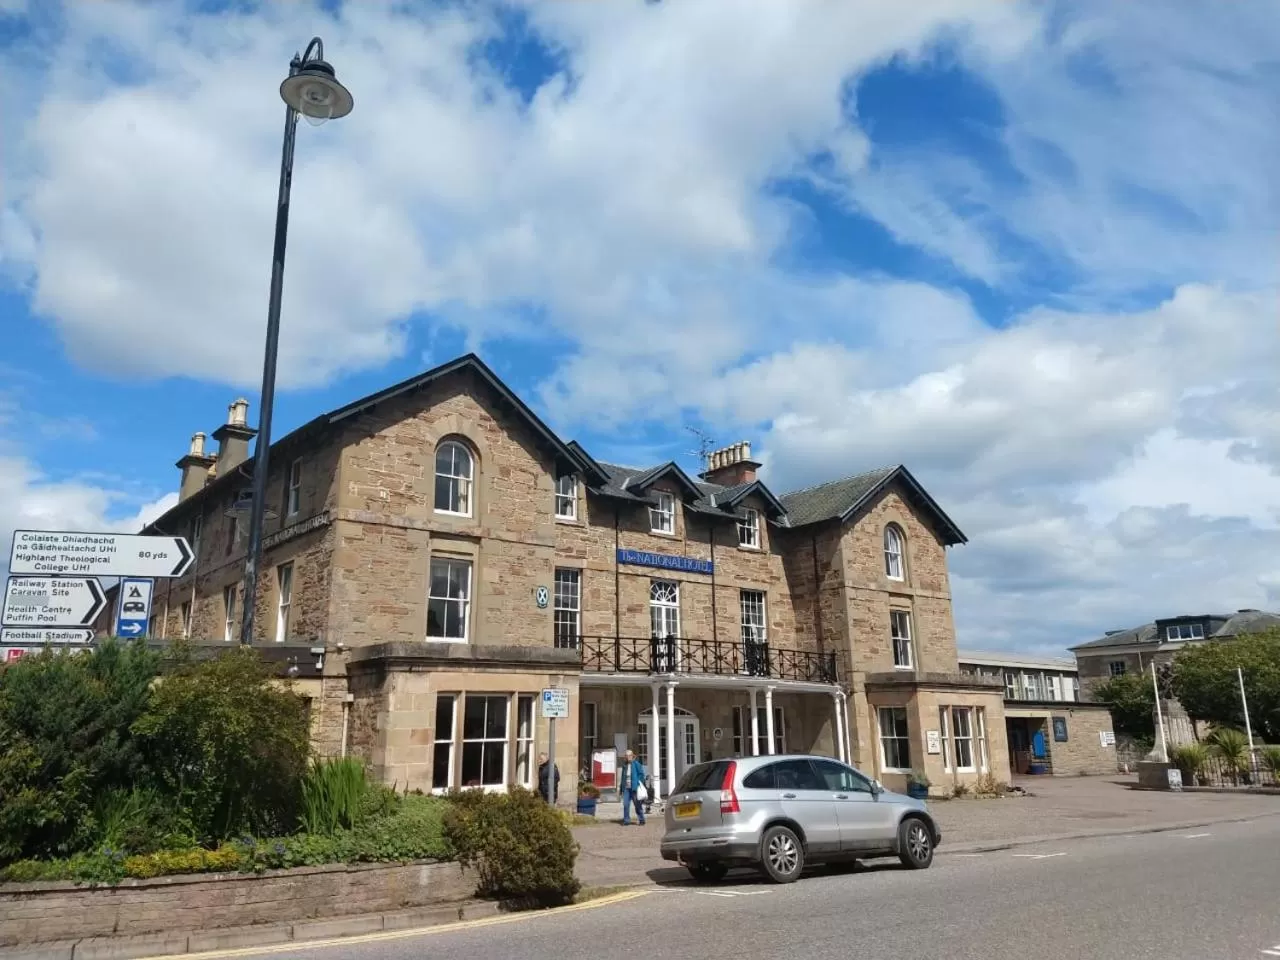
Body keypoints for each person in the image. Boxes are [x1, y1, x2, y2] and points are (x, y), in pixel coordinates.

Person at [618, 749, 647, 826]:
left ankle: (641, 820)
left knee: (637, 805)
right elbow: (622, 778)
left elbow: (641, 774)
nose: (628, 757)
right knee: (625, 804)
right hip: (626, 788)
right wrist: (621, 789)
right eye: (626, 756)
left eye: (629, 755)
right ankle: (626, 820)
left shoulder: (636, 764)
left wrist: (637, 783)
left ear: (632, 756)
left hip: (634, 788)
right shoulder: (624, 765)